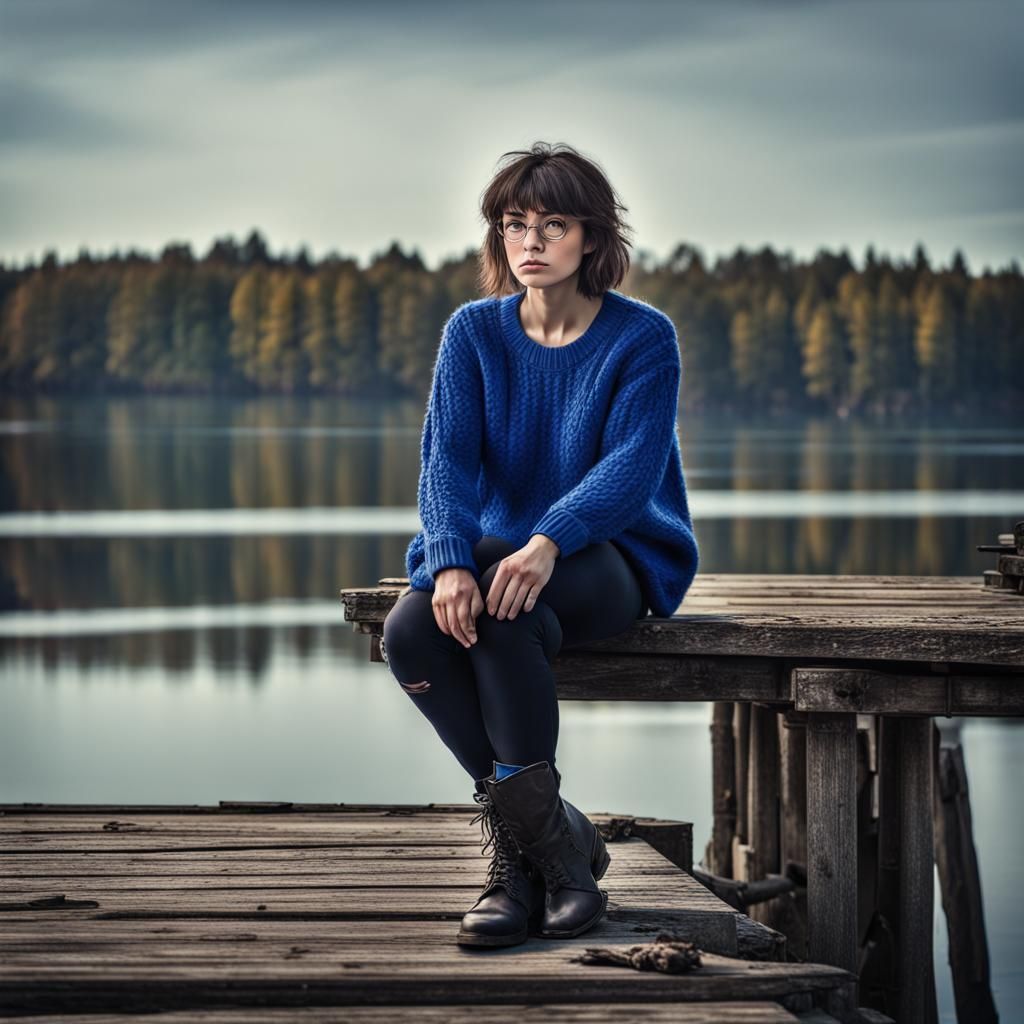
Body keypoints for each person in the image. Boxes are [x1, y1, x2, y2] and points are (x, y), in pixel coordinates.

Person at [381, 141, 699, 949]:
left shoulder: (642, 338)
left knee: (507, 614)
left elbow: (633, 469)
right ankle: (548, 847)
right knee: (412, 630)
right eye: (515, 224)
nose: (530, 241)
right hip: (494, 551)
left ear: (591, 239)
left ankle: (536, 870)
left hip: (614, 554)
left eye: (552, 225)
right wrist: (449, 558)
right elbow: (445, 460)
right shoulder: (473, 334)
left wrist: (550, 540)